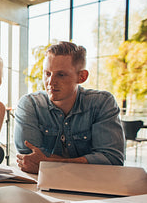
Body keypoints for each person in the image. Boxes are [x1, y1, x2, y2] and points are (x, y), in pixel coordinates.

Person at [14, 41, 124, 174]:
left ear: (82, 77)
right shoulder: (30, 104)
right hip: (42, 186)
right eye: (47, 73)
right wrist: (84, 162)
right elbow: (28, 160)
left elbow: (112, 159)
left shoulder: (101, 103)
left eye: (61, 75)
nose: (50, 82)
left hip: (91, 187)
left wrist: (48, 164)